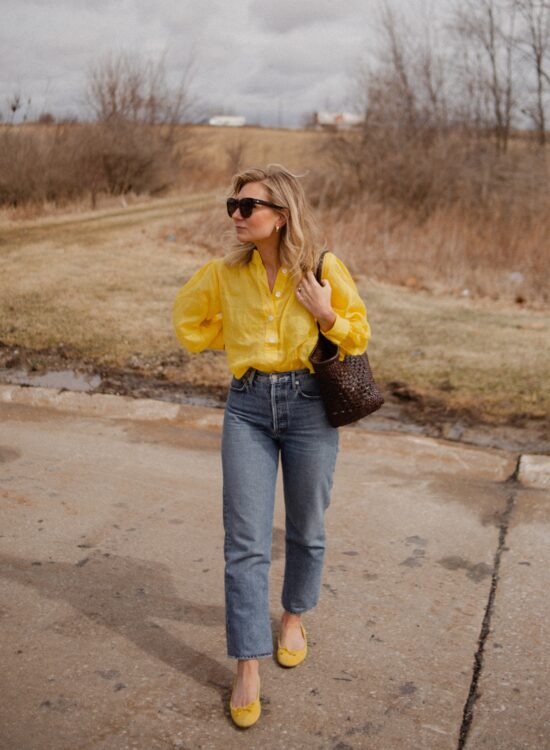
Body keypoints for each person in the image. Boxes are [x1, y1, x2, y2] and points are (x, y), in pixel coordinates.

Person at [172, 164, 371, 728]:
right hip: (248, 408)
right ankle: (247, 663)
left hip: (311, 407)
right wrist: (232, 334)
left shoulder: (323, 267)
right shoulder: (222, 272)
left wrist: (324, 312)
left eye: (247, 206)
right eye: (232, 205)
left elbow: (357, 332)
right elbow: (187, 325)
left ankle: (292, 617)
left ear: (281, 215)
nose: (236, 215)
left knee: (307, 527)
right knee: (245, 542)